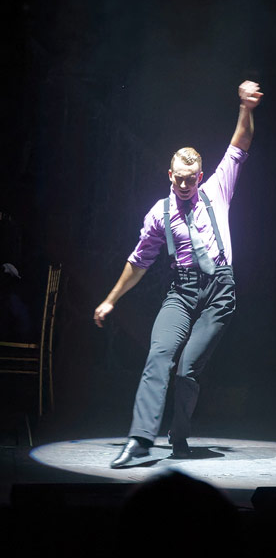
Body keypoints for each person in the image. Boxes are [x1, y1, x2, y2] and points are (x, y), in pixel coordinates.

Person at [94, 80, 263, 468]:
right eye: (179, 178)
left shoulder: (217, 191)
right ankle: (139, 441)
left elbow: (240, 144)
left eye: (191, 178)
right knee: (159, 355)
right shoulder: (159, 213)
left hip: (219, 290)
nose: (185, 185)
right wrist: (110, 299)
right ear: (169, 175)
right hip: (182, 291)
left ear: (200, 176)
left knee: (187, 369)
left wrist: (245, 108)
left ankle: (179, 435)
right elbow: (138, 262)